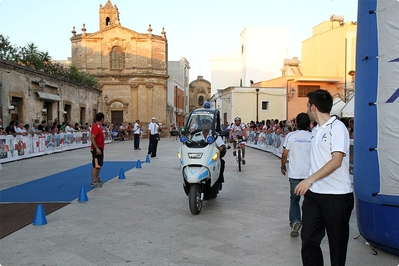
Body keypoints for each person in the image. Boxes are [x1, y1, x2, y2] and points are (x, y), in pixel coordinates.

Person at [294, 90, 354, 266]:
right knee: (309, 240)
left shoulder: (338, 128)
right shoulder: (315, 130)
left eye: (307, 106)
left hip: (337, 196)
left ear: (313, 107)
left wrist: (309, 179)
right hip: (314, 195)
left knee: (337, 247)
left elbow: (336, 161)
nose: (307, 110)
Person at [280, 113, 312, 237]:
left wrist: (283, 166)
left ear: (296, 123)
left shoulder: (291, 136)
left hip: (295, 174)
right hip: (310, 175)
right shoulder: (313, 136)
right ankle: (309, 224)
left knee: (294, 199)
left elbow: (284, 154)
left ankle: (295, 221)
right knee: (309, 201)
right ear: (309, 123)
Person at [191, 117, 226, 188]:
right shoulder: (196, 135)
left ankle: (219, 181)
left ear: (210, 125)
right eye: (203, 123)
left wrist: (221, 148)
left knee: (221, 162)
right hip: (198, 157)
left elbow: (222, 144)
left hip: (209, 158)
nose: (204, 125)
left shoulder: (215, 135)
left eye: (206, 123)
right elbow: (191, 144)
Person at [90, 112, 105, 188]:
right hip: (96, 148)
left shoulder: (99, 126)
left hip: (100, 148)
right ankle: (93, 181)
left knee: (99, 165)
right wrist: (96, 148)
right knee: (95, 165)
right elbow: (93, 137)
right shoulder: (95, 126)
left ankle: (97, 178)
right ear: (102, 119)